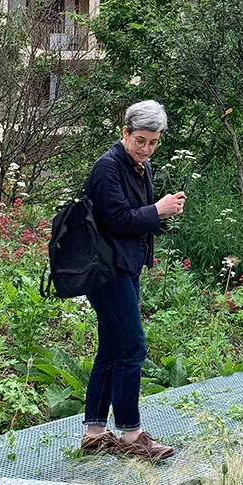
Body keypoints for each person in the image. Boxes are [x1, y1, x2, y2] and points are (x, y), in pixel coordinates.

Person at [80, 100, 185, 461]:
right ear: (124, 133)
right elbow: (117, 220)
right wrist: (157, 210)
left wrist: (163, 214)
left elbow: (136, 221)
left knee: (112, 345)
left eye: (153, 142)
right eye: (140, 140)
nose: (147, 149)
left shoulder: (141, 166)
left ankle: (94, 433)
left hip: (125, 266)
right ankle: (130, 434)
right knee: (132, 347)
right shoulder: (107, 167)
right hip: (104, 269)